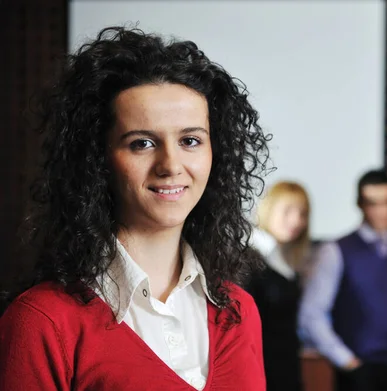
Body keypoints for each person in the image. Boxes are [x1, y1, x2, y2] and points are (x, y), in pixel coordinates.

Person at [0, 26, 271, 391]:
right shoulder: (42, 321)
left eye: (190, 140)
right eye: (142, 143)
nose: (171, 165)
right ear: (98, 159)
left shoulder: (239, 312)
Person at [299, 169, 387, 391]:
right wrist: (345, 360)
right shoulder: (336, 251)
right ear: (360, 205)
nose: (382, 211)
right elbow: (311, 313)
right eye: (373, 203)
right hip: (358, 370)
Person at [246, 181, 311, 391]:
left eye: (302, 213)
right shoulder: (247, 259)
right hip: (262, 373)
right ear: (268, 210)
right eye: (288, 211)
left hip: (285, 369)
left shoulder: (284, 259)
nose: (296, 221)